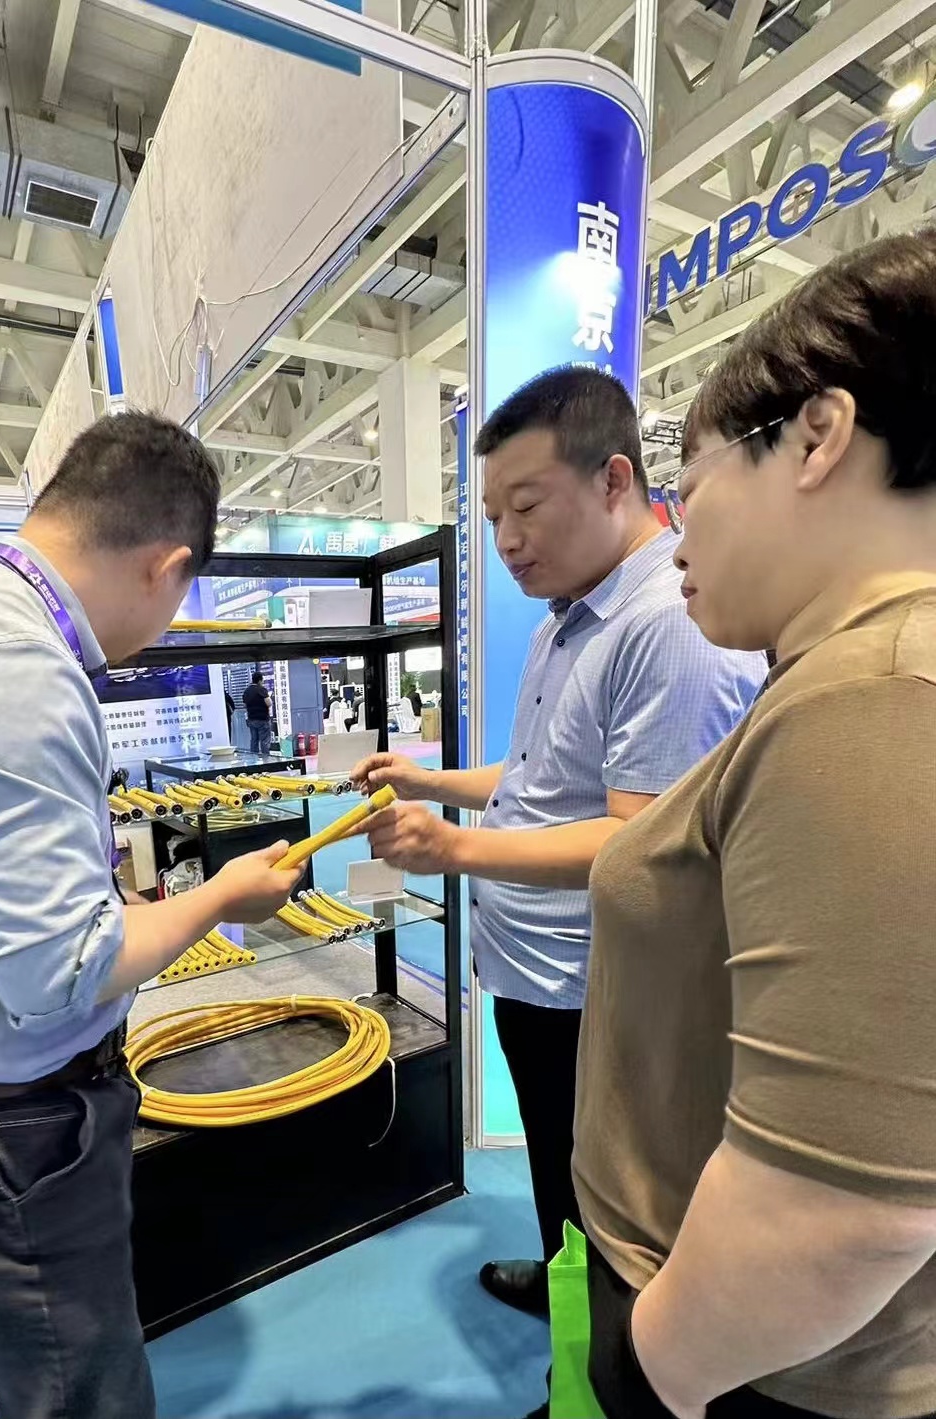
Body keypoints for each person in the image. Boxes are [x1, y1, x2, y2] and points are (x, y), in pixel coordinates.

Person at [0, 412, 302, 1419]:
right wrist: (221, 896)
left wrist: (118, 904)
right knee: (85, 1397)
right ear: (167, 567)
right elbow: (57, 973)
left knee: (61, 1384)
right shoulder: (12, 672)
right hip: (5, 1138)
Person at [574, 230, 936, 1419]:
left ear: (818, 437)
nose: (678, 534)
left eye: (693, 480)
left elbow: (845, 1216)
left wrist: (652, 1371)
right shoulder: (842, 679)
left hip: (760, 1377)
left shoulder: (871, 694)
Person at [353, 368, 766, 1341]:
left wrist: (453, 847)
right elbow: (546, 776)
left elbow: (639, 837)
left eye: (526, 507)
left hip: (600, 988)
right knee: (562, 1170)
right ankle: (564, 1292)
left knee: (617, 1206)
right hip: (538, 975)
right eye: (493, 516)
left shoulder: (664, 624)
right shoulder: (567, 620)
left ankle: (596, 1372)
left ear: (614, 479)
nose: (505, 541)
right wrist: (431, 783)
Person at [243, 671, 273, 754]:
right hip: (262, 719)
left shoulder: (247, 691)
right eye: (262, 680)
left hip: (251, 719)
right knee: (264, 741)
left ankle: (253, 759)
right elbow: (269, 703)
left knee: (254, 740)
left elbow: (244, 705)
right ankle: (265, 759)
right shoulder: (262, 689)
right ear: (259, 680)